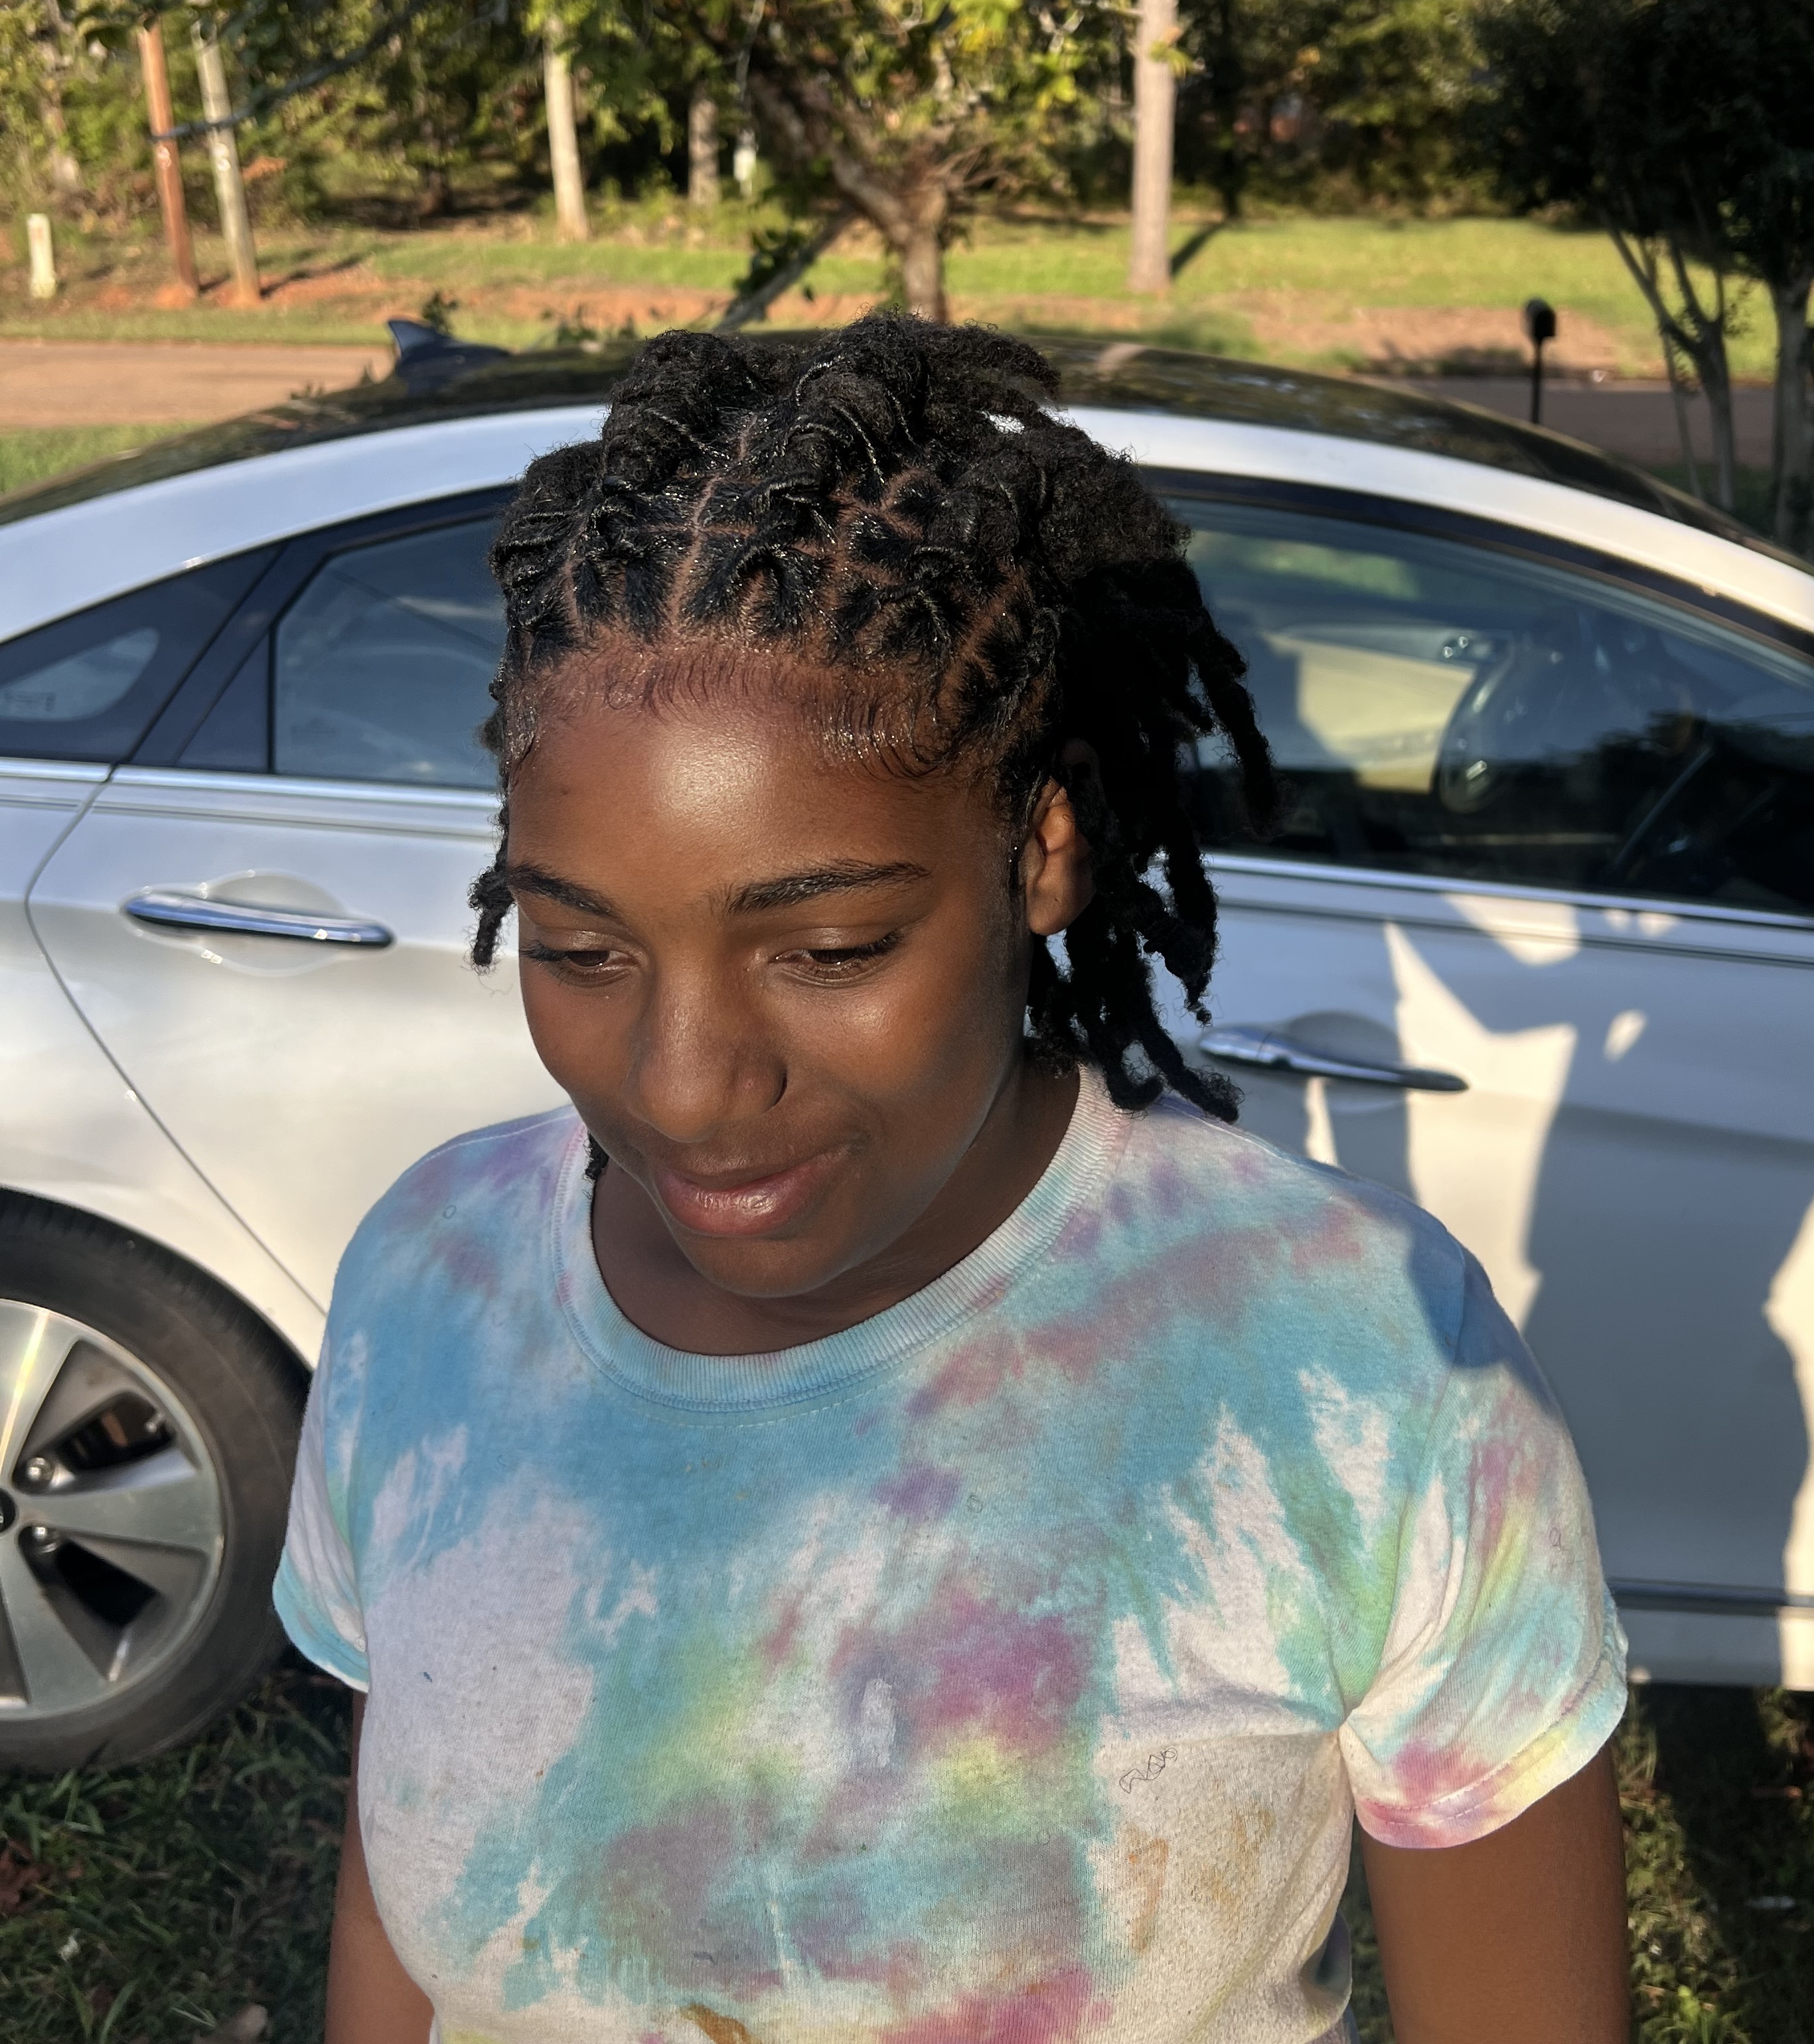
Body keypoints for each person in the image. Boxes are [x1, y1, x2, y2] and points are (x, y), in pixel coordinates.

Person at [279, 319, 1631, 2044]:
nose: (684, 1084)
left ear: (1038, 851)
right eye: (580, 948)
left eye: (831, 948)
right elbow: (395, 1918)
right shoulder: (433, 1280)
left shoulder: (1362, 1368)